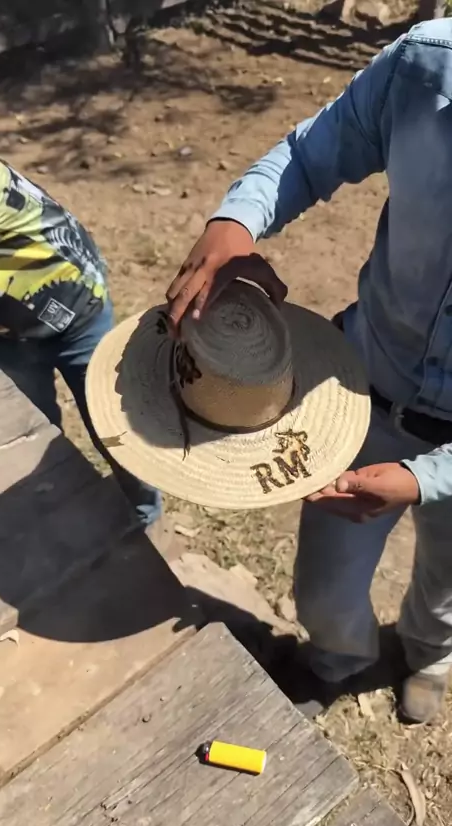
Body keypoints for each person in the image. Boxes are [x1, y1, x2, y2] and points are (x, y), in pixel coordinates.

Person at [166, 19, 452, 724]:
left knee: (448, 584)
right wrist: (236, 222)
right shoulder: (426, 65)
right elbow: (308, 153)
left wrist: (426, 479)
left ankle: (430, 653)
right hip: (358, 395)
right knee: (324, 584)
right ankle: (338, 658)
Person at [0, 140, 160, 529]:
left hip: (74, 306)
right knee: (22, 435)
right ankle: (55, 518)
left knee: (117, 431)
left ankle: (148, 523)